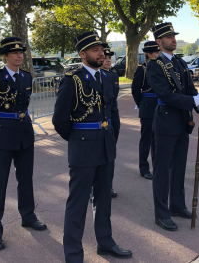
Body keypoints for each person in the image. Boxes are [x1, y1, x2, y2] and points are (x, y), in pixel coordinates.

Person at [53, 31, 132, 262]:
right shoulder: (72, 80)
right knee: (77, 202)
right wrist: (78, 139)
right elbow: (60, 120)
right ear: (83, 54)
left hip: (106, 146)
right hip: (84, 147)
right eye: (96, 50)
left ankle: (105, 242)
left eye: (102, 50)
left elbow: (112, 112)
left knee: (104, 198)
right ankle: (74, 253)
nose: (101, 53)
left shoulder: (107, 78)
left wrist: (110, 137)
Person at [0, 37, 47, 251]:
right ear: (5, 56)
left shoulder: (26, 77)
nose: (19, 56)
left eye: (21, 53)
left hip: (24, 133)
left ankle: (28, 216)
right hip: (2, 134)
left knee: (26, 178)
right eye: (14, 53)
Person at [147, 22, 199, 232]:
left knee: (180, 167)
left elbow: (190, 89)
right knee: (163, 170)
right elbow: (166, 95)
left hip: (182, 122)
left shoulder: (181, 63)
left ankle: (177, 205)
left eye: (174, 36)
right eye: (169, 37)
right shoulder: (154, 66)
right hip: (165, 123)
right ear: (159, 41)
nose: (173, 39)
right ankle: (161, 213)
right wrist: (193, 102)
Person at [131, 41, 160, 180]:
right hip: (148, 105)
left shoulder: (161, 67)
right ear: (149, 54)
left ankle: (157, 165)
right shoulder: (142, 69)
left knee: (158, 138)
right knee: (147, 139)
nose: (158, 54)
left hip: (159, 105)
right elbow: (135, 89)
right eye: (156, 52)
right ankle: (144, 167)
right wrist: (141, 104)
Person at [101, 47, 119, 197]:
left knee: (110, 154)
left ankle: (108, 185)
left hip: (114, 117)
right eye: (105, 57)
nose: (108, 59)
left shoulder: (113, 76)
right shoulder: (97, 76)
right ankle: (94, 187)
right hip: (101, 120)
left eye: (109, 57)